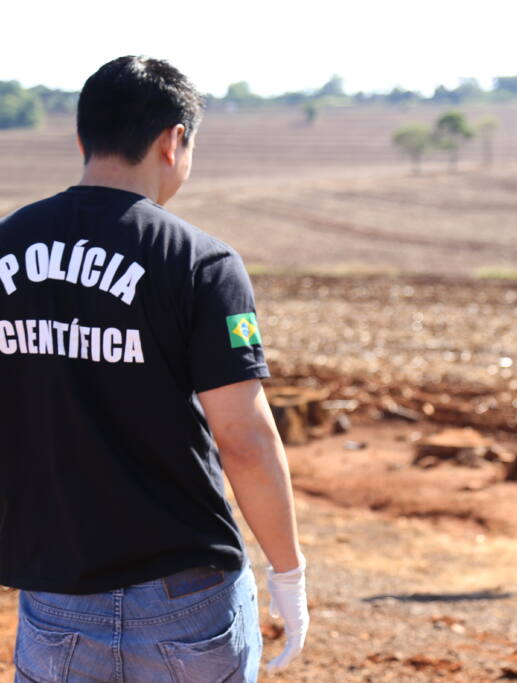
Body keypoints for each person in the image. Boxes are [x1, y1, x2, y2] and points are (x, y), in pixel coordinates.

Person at [0, 56, 308, 681]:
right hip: (185, 598)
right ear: (174, 141)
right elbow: (243, 439)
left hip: (57, 589)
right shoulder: (201, 263)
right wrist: (289, 574)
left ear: (82, 139)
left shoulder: (6, 245)